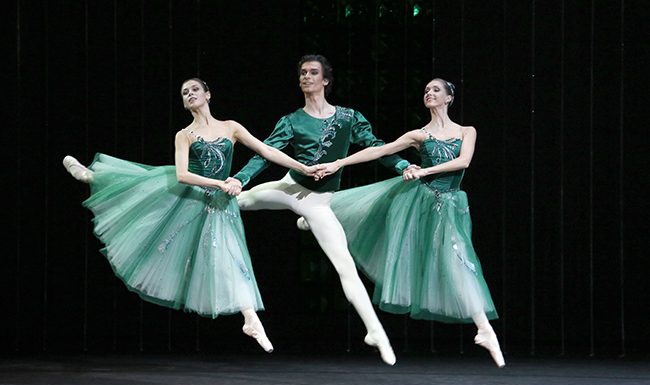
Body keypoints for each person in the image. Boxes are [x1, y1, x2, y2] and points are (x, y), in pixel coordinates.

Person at [62, 78, 321, 353]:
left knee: (231, 257)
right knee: (142, 190)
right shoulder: (183, 134)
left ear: (208, 95)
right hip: (190, 196)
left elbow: (266, 150)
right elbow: (182, 174)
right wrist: (222, 183)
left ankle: (250, 319)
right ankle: (92, 175)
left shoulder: (230, 127)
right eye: (185, 92)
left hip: (220, 204)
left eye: (195, 89)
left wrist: (302, 168)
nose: (190, 94)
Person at [223, 55, 412, 365]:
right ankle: (205, 204)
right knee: (237, 202)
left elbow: (375, 146)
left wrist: (403, 164)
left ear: (325, 80)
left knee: (345, 266)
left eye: (313, 73)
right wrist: (239, 179)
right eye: (302, 73)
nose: (306, 77)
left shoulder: (349, 118)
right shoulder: (292, 120)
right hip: (288, 188)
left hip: (318, 203)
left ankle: (375, 331)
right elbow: (266, 153)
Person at [311, 78, 505, 367]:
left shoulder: (467, 131)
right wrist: (338, 163)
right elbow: (380, 150)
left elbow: (463, 162)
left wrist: (424, 171)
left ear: (449, 97)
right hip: (421, 201)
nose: (429, 93)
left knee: (459, 261)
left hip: (449, 204)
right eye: (426, 90)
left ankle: (484, 329)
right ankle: (320, 214)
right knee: (377, 203)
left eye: (436, 89)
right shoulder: (418, 134)